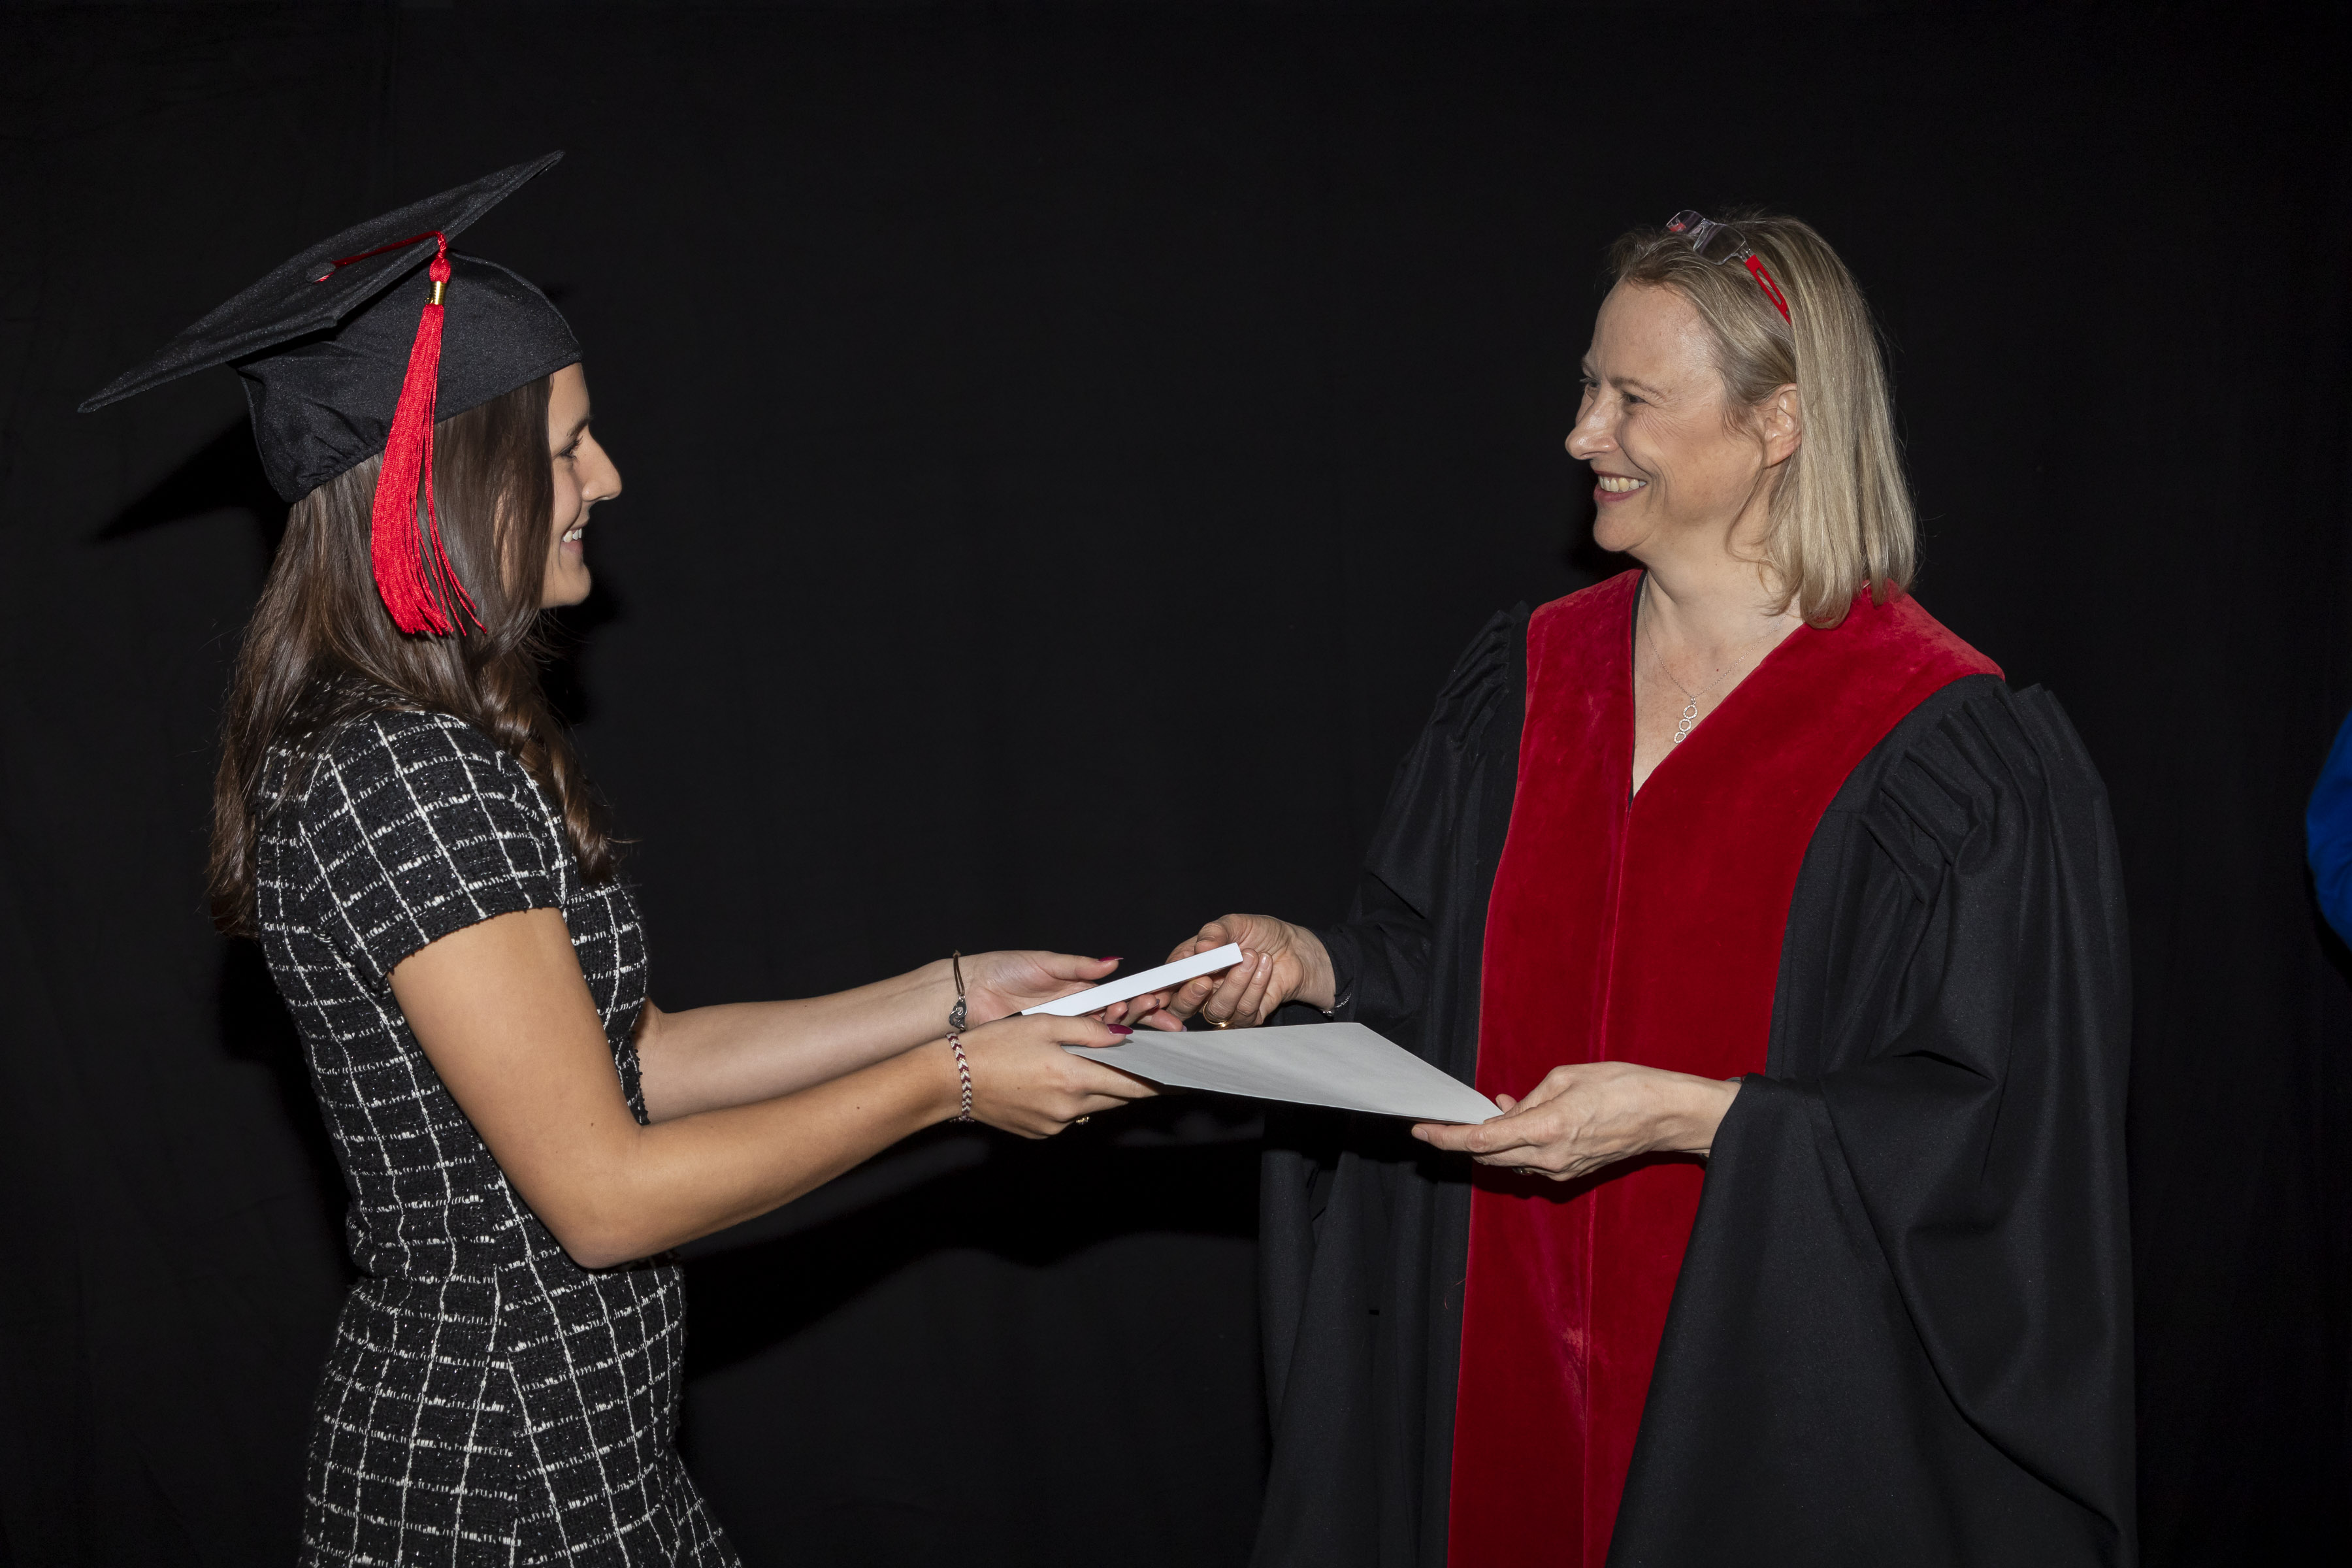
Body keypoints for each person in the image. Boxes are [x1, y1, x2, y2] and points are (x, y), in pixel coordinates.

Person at [80, 154, 1156, 1567]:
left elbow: (638, 1057)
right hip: (503, 1487)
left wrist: (951, 996)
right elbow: (604, 1200)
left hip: (580, 1457)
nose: (606, 477)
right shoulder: (403, 775)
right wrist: (949, 1085)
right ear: (442, 477)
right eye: (565, 446)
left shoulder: (432, 743)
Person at [1140, 210, 2136, 1565]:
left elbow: (1998, 1130)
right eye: (1586, 387)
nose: (1580, 435)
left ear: (1779, 423)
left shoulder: (1939, 749)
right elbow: (1441, 970)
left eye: (1632, 398)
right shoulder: (1524, 683)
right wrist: (1315, 965)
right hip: (1494, 1340)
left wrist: (1700, 1117)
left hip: (1764, 1379)